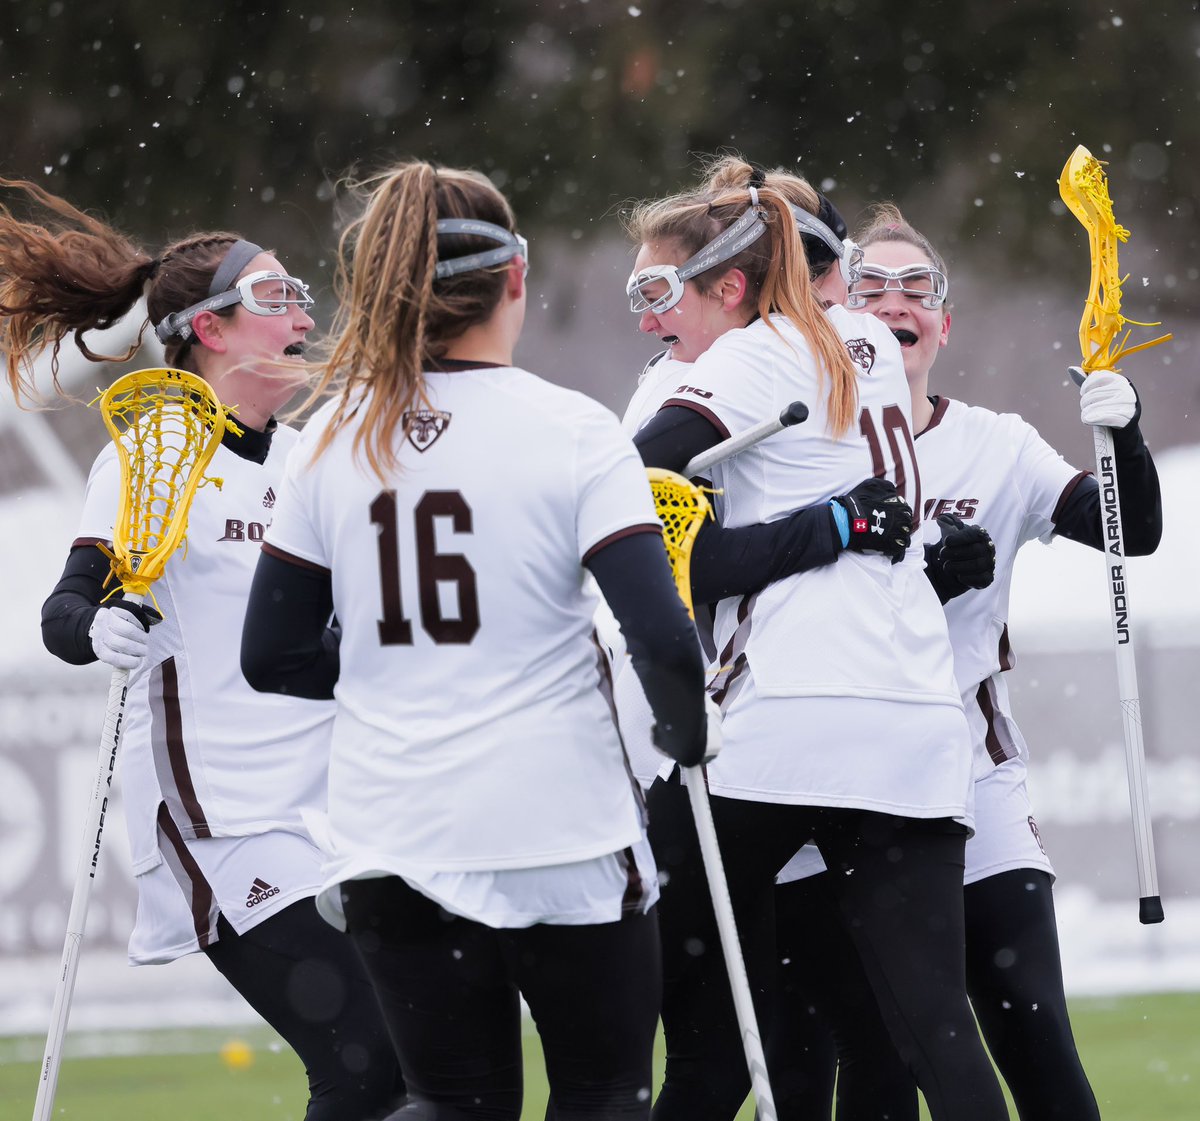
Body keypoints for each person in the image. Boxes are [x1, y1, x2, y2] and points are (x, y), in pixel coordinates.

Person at [237, 160, 711, 1121]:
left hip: (393, 833)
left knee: (453, 1103)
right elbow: (662, 639)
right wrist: (689, 733)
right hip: (559, 825)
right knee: (602, 1094)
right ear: (517, 279)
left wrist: (399, 666)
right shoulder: (573, 430)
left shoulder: (330, 434)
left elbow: (270, 655)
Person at [0, 176, 405, 1120]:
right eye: (271, 295)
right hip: (218, 816)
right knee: (366, 1066)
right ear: (209, 329)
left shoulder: (316, 459)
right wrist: (97, 626)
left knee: (426, 1066)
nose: (299, 309)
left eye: (296, 289)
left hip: (332, 810)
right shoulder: (150, 456)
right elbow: (68, 611)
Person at [622, 156, 1008, 1121]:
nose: (656, 321)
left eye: (668, 291)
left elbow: (632, 491)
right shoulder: (869, 339)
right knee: (936, 1035)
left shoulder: (749, 356)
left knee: (633, 985)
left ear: (732, 283)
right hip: (915, 723)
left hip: (785, 713)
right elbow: (846, 509)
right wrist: (836, 526)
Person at [768, 204, 1162, 1121]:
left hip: (968, 773)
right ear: (836, 313)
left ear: (944, 323)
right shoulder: (800, 441)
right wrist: (920, 583)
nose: (895, 302)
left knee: (1036, 1042)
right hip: (834, 783)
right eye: (871, 287)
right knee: (857, 1063)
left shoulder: (998, 443)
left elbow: (1129, 529)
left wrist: (1127, 432)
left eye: (918, 290)